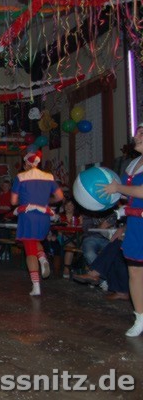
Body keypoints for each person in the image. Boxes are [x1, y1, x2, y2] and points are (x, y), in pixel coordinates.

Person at [100, 122, 143, 336]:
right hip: (135, 223)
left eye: (142, 133)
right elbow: (129, 196)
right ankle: (140, 318)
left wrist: (117, 187)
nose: (137, 136)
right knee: (134, 270)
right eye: (137, 132)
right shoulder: (133, 164)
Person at [11, 150, 64, 296]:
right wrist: (47, 200)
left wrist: (24, 199)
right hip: (44, 217)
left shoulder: (20, 177)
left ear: (26, 164)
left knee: (29, 252)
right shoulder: (49, 177)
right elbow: (60, 197)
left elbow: (13, 201)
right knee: (35, 241)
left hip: (28, 217)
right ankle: (42, 258)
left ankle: (36, 286)